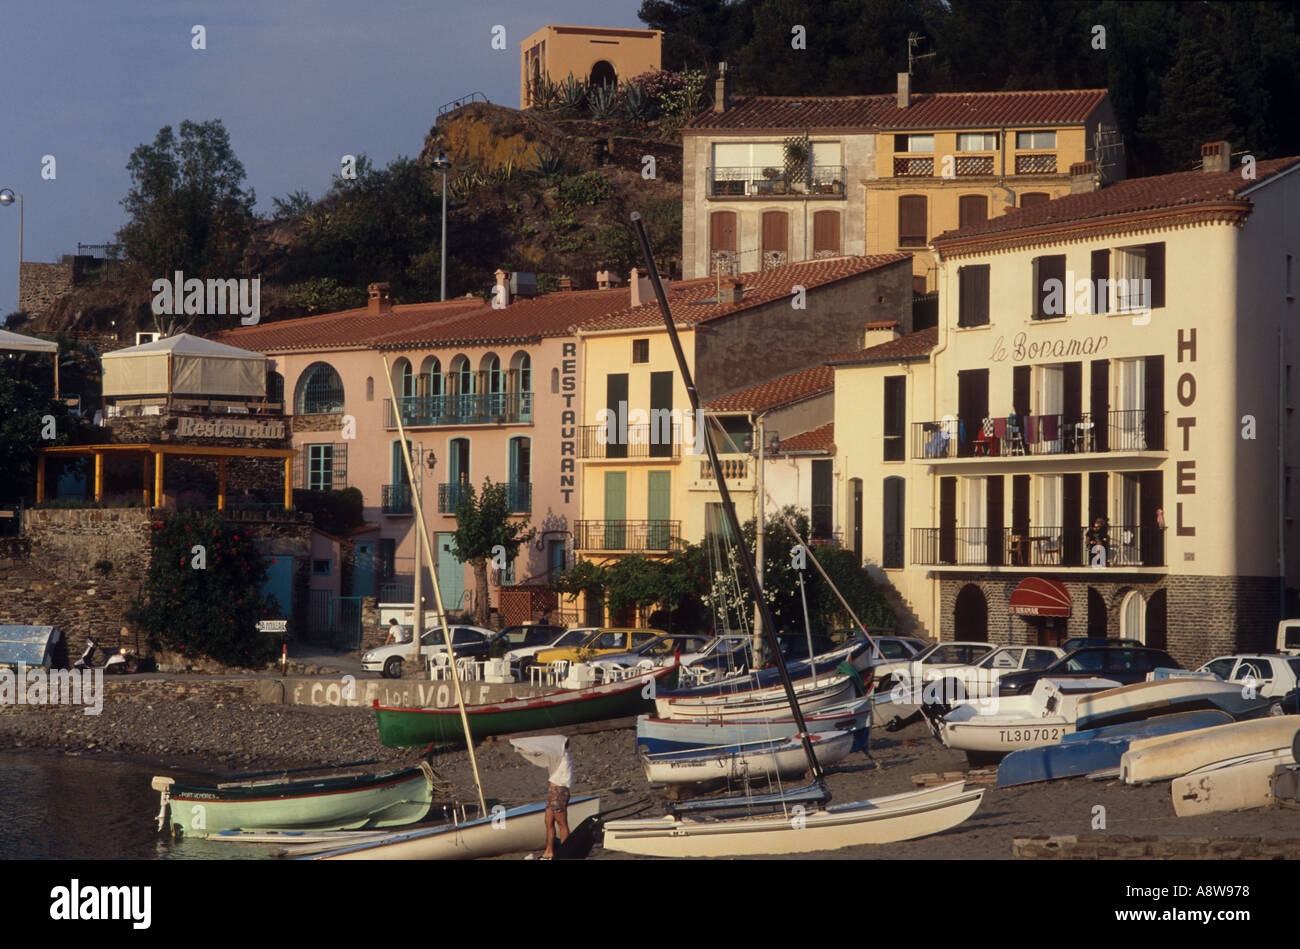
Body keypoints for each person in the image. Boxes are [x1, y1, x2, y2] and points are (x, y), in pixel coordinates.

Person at [542, 738, 572, 859]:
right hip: (552, 792)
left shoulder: (563, 754)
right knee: (548, 822)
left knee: (561, 823)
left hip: (560, 792)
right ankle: (549, 850)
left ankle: (565, 852)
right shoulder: (555, 755)